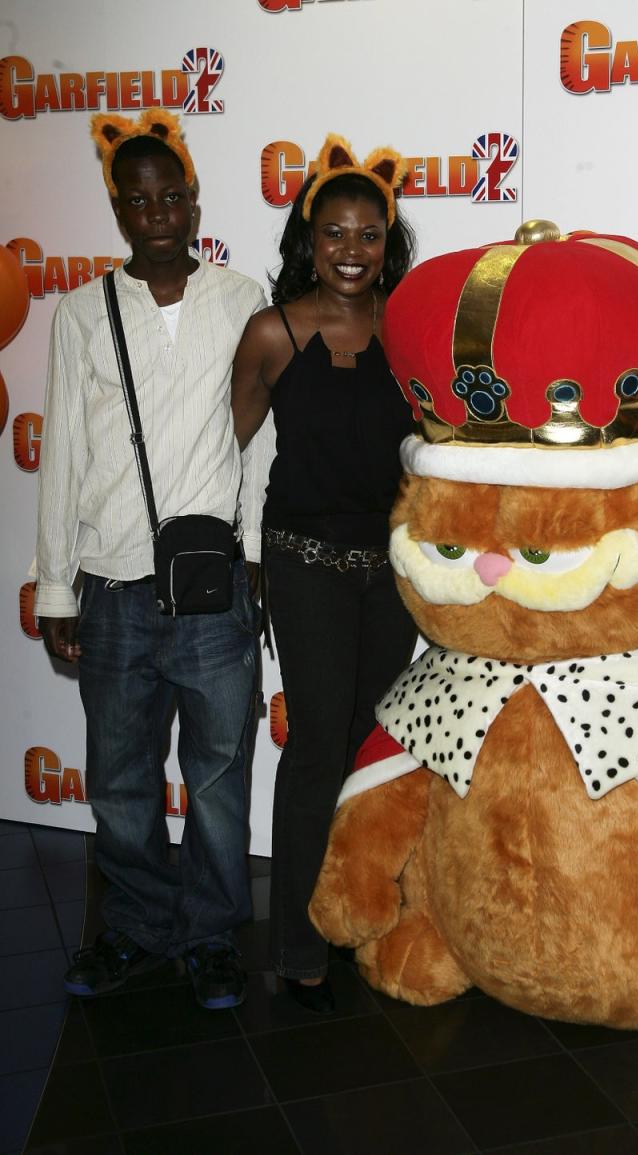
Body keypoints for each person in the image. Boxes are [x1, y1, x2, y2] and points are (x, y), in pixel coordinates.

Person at [36, 110, 269, 1010]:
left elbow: (264, 439)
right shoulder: (82, 311)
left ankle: (212, 937)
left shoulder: (241, 296)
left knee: (216, 778)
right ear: (118, 209)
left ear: (194, 200)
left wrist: (250, 551)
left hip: (212, 588)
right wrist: (56, 581)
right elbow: (61, 451)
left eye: (170, 194)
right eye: (138, 199)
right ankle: (135, 927)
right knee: (122, 778)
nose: (157, 211)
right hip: (114, 585)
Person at [231, 134, 419, 1013]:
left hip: (389, 574)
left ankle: (350, 913)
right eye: (336, 233)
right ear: (310, 239)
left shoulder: (411, 329)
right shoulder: (273, 331)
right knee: (313, 749)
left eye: (369, 234)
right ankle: (297, 941)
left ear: (388, 240)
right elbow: (219, 455)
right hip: (302, 564)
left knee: (361, 748)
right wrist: (234, 560)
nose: (353, 250)